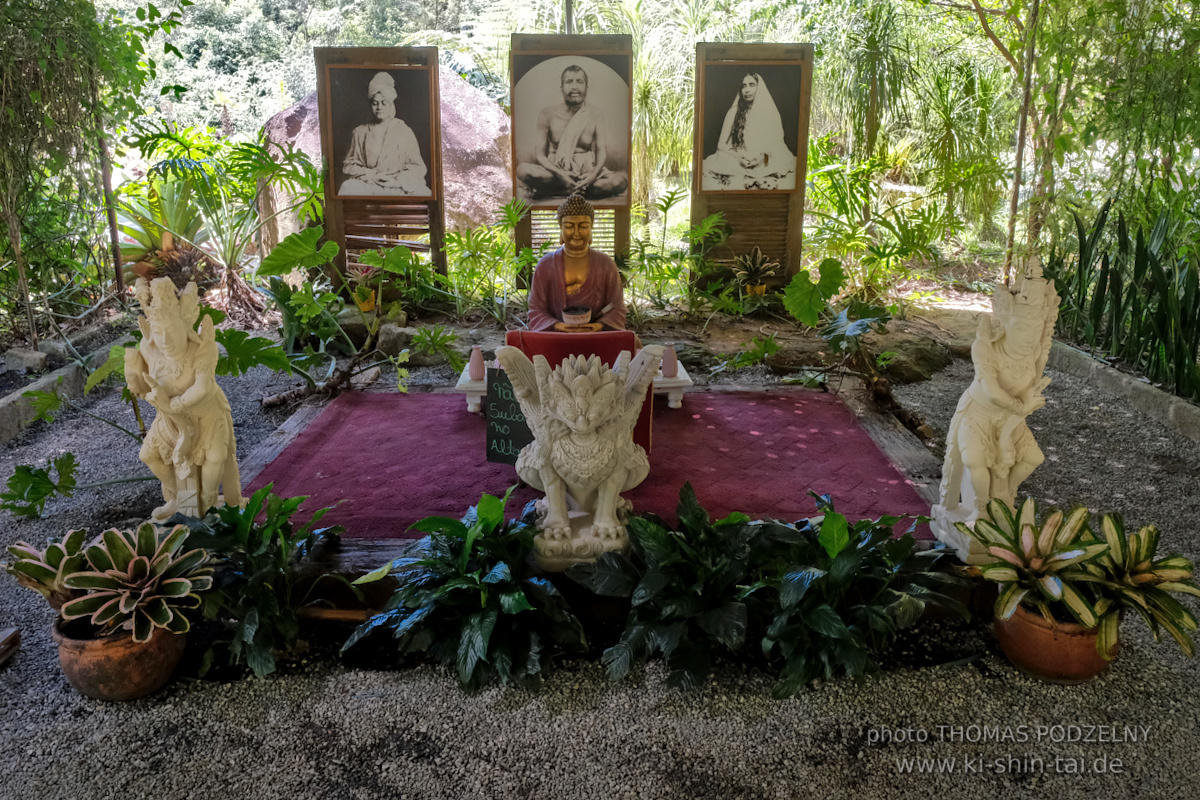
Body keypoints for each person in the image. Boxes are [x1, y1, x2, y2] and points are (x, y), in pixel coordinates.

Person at [125, 277, 242, 521]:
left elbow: (202, 386)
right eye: (158, 332)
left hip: (207, 413)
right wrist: (138, 383)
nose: (165, 340)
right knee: (148, 455)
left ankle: (209, 502)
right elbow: (139, 378)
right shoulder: (148, 349)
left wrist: (175, 404)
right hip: (169, 418)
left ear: (186, 325)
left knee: (216, 457)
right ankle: (178, 498)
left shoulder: (203, 348)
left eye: (172, 331)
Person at [516, 64, 629, 202]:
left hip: (586, 172)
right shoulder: (547, 114)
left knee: (620, 181)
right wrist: (561, 175)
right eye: (569, 82)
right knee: (522, 170)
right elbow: (540, 155)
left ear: (586, 87)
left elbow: (601, 152)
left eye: (579, 81)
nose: (574, 86)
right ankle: (579, 190)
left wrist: (592, 176)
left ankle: (559, 190)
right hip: (555, 171)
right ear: (562, 87)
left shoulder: (595, 114)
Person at [526, 193, 626, 332]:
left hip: (596, 333)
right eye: (569, 226)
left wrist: (599, 325)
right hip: (556, 333)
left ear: (591, 228)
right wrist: (557, 325)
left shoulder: (605, 263)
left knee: (633, 343)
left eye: (583, 226)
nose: (576, 232)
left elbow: (617, 306)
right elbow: (536, 308)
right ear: (561, 228)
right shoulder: (546, 264)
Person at [339, 71, 431, 196]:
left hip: (396, 185)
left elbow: (417, 167)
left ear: (390, 103)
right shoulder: (360, 132)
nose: (379, 108)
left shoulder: (404, 131)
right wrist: (373, 175)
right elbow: (349, 166)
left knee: (424, 192)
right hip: (370, 184)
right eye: (375, 103)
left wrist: (397, 181)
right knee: (347, 187)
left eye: (383, 103)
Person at [702, 73, 796, 191]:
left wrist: (762, 158)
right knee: (722, 159)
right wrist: (738, 158)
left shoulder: (770, 112)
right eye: (743, 86)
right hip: (739, 157)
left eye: (752, 85)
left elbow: (776, 143)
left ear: (759, 87)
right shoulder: (733, 112)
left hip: (763, 158)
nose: (747, 90)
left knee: (783, 158)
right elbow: (721, 145)